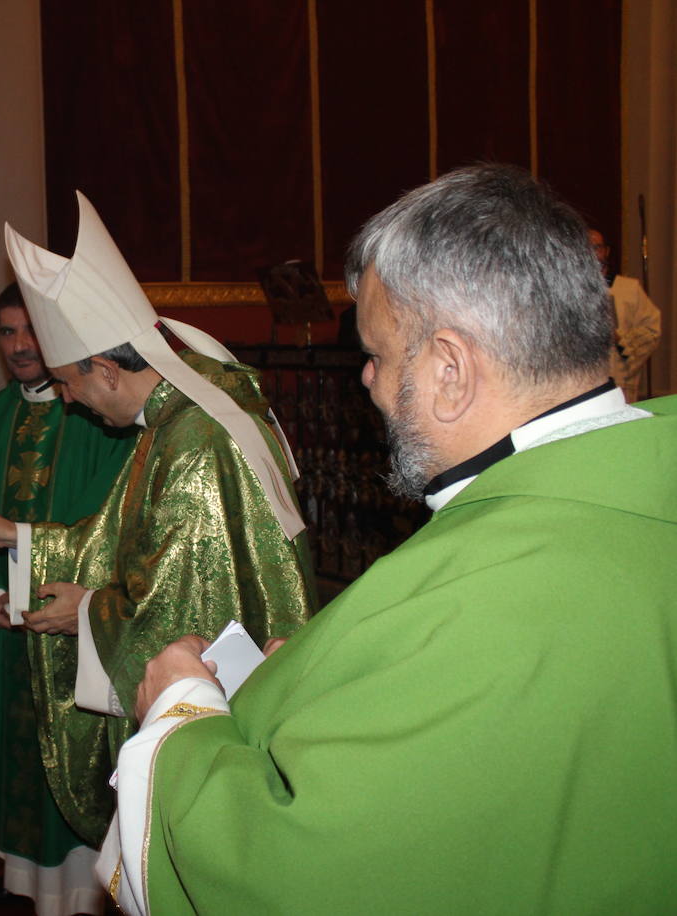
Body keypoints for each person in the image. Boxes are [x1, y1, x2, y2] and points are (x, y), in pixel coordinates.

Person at [102, 165, 677, 914]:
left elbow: (290, 876)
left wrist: (182, 707)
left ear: (449, 368)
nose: (368, 381)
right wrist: (312, 690)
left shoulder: (468, 597)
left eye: (375, 353)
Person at [0, 193, 317, 850]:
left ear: (104, 369)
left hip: (235, 707)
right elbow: (136, 542)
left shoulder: (195, 440)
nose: (67, 399)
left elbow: (185, 607)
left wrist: (86, 609)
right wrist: (19, 537)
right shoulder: (183, 413)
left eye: (69, 383)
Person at [0, 282, 135, 914]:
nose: (20, 346)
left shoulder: (94, 413)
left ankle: (80, 888)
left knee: (73, 758)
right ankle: (21, 876)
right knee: (16, 760)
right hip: (11, 632)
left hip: (69, 625)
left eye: (30, 331)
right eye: (7, 333)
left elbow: (108, 529)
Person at [588, 228, 662, 401]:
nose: (593, 253)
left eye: (597, 247)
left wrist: (622, 342)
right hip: (584, 383)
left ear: (606, 251)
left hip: (620, 380)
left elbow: (651, 330)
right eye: (587, 248)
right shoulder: (570, 291)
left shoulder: (629, 289)